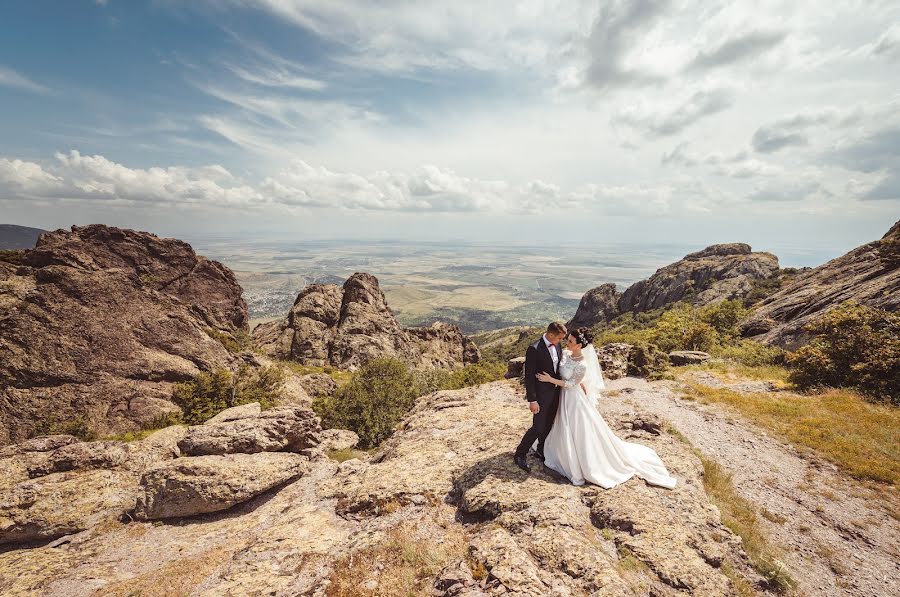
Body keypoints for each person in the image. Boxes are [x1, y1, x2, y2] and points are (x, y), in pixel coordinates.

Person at [536, 327, 677, 489]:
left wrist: (549, 380)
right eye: (567, 339)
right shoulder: (566, 355)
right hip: (563, 398)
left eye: (570, 341)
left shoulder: (582, 364)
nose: (566, 342)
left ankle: (580, 462)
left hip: (573, 399)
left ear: (579, 346)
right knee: (562, 425)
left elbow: (570, 384)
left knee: (575, 428)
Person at [513, 321, 566, 471]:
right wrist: (532, 400)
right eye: (559, 338)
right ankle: (520, 454)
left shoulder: (557, 345)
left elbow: (557, 368)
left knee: (549, 424)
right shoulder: (534, 349)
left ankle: (541, 450)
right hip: (541, 396)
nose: (561, 341)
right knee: (537, 427)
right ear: (550, 335)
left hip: (556, 393)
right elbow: (529, 377)